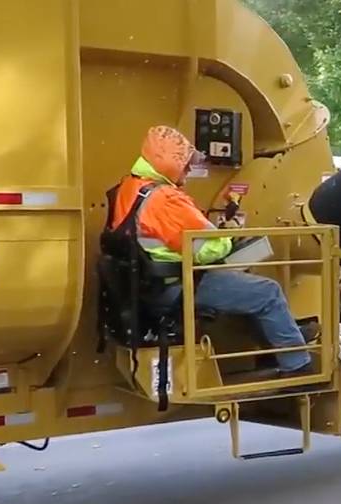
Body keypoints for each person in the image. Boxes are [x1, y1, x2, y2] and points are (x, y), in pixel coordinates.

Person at [106, 125, 315, 375]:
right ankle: (298, 367)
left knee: (249, 287)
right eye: (185, 163)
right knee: (267, 292)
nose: (189, 168)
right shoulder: (167, 200)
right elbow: (207, 249)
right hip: (176, 285)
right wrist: (228, 237)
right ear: (170, 162)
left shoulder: (130, 187)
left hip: (148, 285)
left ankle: (281, 340)